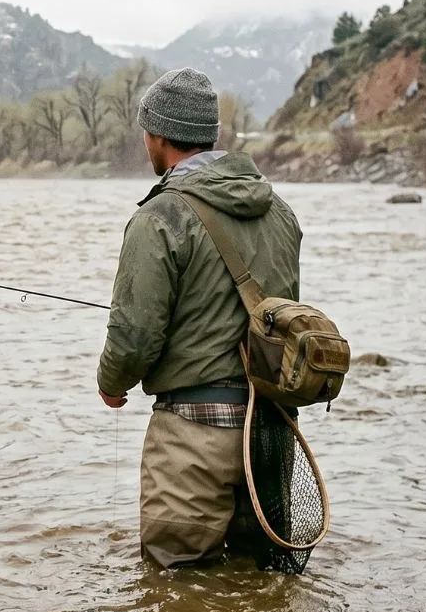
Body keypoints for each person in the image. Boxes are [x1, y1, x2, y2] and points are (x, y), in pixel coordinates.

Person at [96, 67, 303, 567]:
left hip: (193, 433)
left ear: (159, 136)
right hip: (272, 432)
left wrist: (112, 383)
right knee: (262, 586)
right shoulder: (279, 210)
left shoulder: (159, 218)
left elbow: (135, 333)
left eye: (146, 131)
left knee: (176, 594)